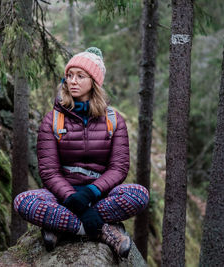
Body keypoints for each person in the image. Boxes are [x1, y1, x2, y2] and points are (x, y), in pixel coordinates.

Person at [14, 47, 149, 258]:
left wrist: (90, 193)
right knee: (24, 201)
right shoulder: (53, 119)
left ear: (94, 82)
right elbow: (49, 171)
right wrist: (73, 199)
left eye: (80, 76)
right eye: (69, 75)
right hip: (62, 196)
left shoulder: (114, 120)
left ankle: (61, 226)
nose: (72, 81)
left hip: (100, 195)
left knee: (139, 194)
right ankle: (101, 230)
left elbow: (119, 167)